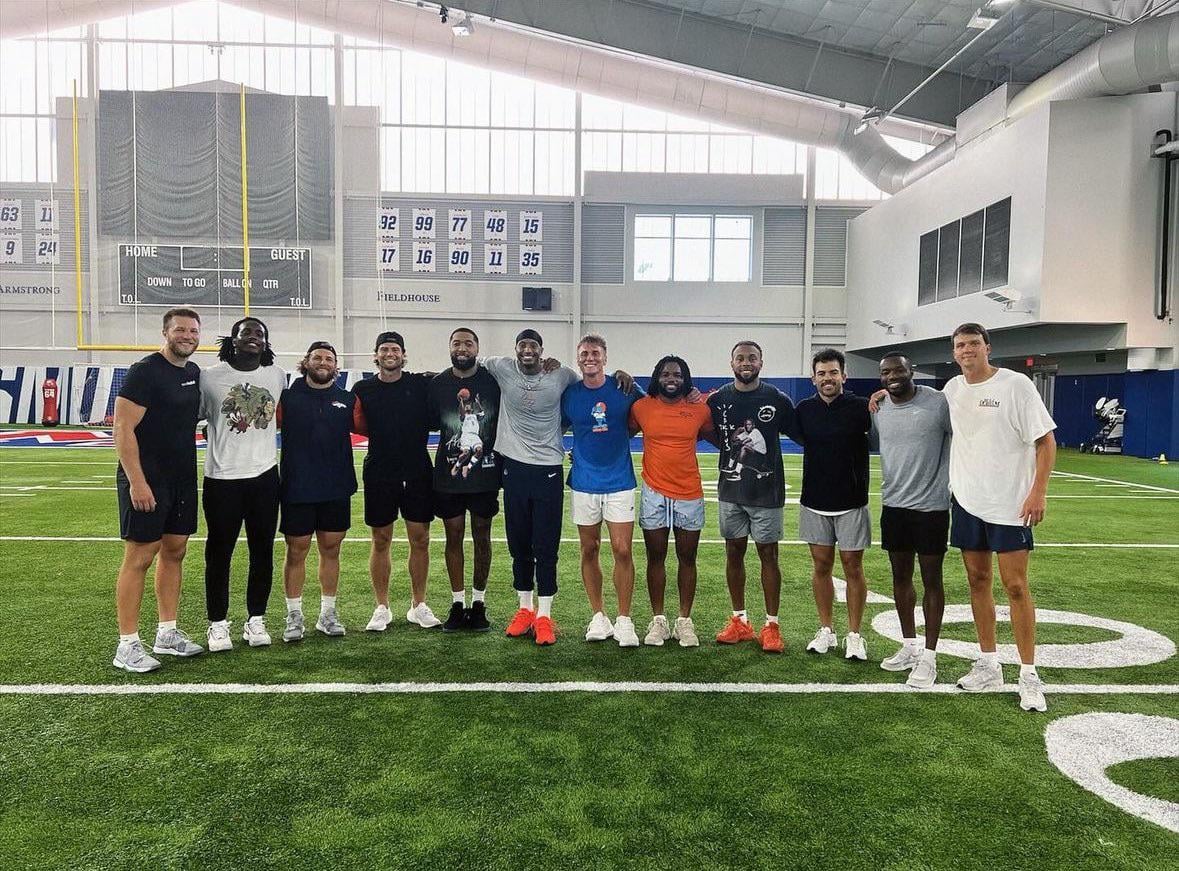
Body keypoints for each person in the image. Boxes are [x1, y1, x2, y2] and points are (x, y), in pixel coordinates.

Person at [481, 330, 632, 645]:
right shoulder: (501, 366)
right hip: (513, 467)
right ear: (515, 348)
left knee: (546, 546)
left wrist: (621, 373)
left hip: (548, 468)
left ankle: (545, 615)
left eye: (533, 345)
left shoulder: (562, 374)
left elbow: (594, 386)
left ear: (542, 350)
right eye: (522, 344)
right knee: (519, 545)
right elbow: (468, 362)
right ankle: (525, 609)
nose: (527, 350)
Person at [943, 323, 1056, 713]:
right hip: (967, 502)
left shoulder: (1016, 385)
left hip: (1011, 505)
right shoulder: (952, 389)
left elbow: (1045, 441)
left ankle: (1029, 674)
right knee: (977, 582)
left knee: (1016, 586)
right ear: (954, 353)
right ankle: (989, 663)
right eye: (960, 345)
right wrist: (880, 397)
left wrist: (1038, 491)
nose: (967, 350)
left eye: (974, 343)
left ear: (987, 347)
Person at [112, 307, 205, 672]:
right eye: (180, 330)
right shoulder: (145, 371)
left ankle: (166, 633)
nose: (187, 336)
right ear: (166, 333)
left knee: (175, 550)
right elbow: (123, 428)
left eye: (193, 331)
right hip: (147, 477)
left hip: (182, 477)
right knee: (140, 555)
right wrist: (137, 481)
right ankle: (127, 644)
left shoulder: (193, 372)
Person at [199, 317, 285, 652]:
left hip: (265, 477)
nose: (253, 337)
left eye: (259, 333)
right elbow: (195, 417)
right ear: (232, 340)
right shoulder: (209, 377)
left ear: (266, 342)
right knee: (219, 553)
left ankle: (256, 619)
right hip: (222, 479)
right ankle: (217, 623)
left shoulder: (276, 376)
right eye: (246, 332)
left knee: (262, 552)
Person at [707, 341, 797, 654]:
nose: (746, 363)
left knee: (768, 555)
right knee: (733, 553)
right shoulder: (718, 399)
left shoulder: (776, 398)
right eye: (741, 358)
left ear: (761, 362)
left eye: (752, 358)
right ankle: (739, 621)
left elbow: (802, 432)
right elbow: (709, 430)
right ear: (731, 362)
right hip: (730, 493)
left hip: (766, 492)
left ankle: (771, 625)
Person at [870, 351, 951, 688]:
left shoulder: (939, 403)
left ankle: (929, 657)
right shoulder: (879, 408)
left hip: (931, 508)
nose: (892, 376)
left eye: (898, 370)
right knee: (900, 578)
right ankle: (909, 646)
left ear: (911, 371)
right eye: (886, 372)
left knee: (932, 580)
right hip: (894, 506)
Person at [351, 331, 439, 633]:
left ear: (403, 354)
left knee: (421, 538)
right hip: (380, 471)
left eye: (395, 349)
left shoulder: (420, 384)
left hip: (417, 470)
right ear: (376, 355)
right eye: (385, 349)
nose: (390, 354)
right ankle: (382, 607)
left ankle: (418, 604)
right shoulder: (363, 389)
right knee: (380, 539)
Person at [628, 355, 715, 648]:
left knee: (687, 557)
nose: (671, 379)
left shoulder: (699, 409)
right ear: (657, 377)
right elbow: (618, 434)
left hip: (689, 493)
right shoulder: (641, 407)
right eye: (666, 374)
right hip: (654, 493)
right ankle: (658, 620)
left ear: (685, 379)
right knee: (656, 557)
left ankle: (684, 621)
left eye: (677, 375)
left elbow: (718, 438)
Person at [561, 334, 640, 648]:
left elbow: (650, 409)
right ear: (578, 359)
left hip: (619, 481)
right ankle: (598, 616)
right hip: (584, 483)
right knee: (589, 549)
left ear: (605, 358)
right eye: (584, 353)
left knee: (623, 550)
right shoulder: (570, 394)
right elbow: (555, 425)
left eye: (595, 353)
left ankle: (624, 619)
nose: (589, 358)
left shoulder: (624, 388)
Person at [794, 348, 873, 661]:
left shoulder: (861, 407)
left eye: (833, 373)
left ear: (844, 375)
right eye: (822, 374)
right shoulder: (804, 410)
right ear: (813, 378)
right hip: (814, 501)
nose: (828, 378)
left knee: (853, 567)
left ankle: (854, 635)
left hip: (852, 502)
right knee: (821, 566)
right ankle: (826, 629)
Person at [277, 342, 359, 641]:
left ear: (336, 366)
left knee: (331, 549)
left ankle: (328, 613)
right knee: (296, 550)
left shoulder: (347, 399)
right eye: (317, 357)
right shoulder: (287, 397)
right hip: (297, 486)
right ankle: (294, 615)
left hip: (336, 486)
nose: (323, 362)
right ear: (306, 362)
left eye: (329, 359)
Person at [428, 327, 501, 632]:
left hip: (486, 476)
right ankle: (458, 603)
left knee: (482, 536)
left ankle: (479, 603)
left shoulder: (493, 381)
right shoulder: (437, 384)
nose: (462, 348)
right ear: (449, 347)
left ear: (477, 348)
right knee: (453, 536)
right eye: (456, 342)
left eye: (468, 343)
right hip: (448, 478)